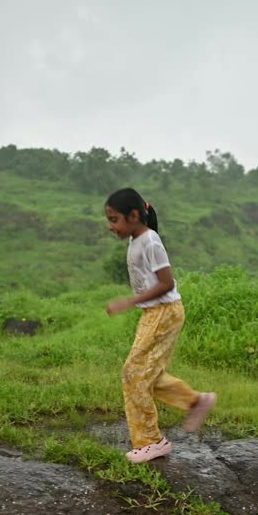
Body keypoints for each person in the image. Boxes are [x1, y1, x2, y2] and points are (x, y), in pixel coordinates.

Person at [104, 187, 216, 463]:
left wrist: (129, 301)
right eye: (109, 220)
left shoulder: (151, 241)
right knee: (144, 374)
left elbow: (166, 283)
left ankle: (151, 441)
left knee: (134, 374)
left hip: (164, 313)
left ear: (133, 216)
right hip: (153, 314)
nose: (111, 226)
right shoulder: (136, 239)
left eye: (114, 219)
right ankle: (195, 401)